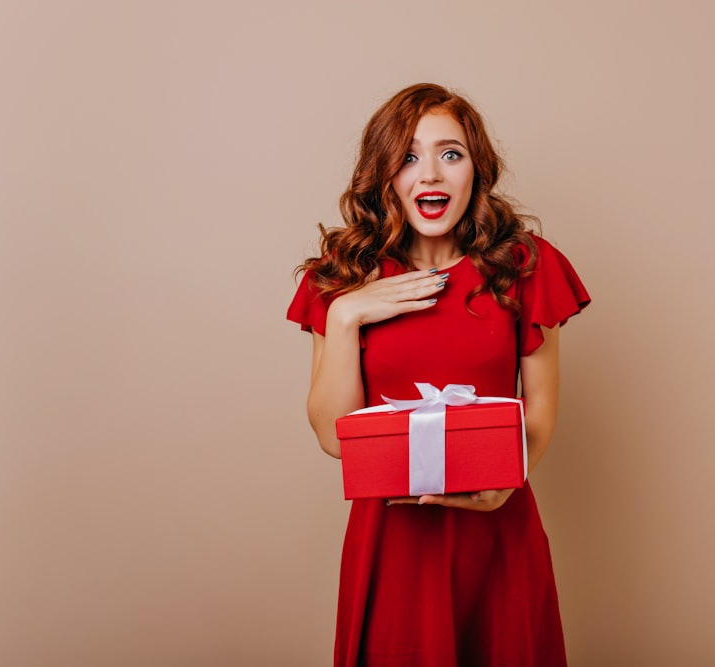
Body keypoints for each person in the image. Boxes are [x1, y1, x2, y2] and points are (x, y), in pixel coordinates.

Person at [287, 83, 590, 667]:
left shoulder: (525, 266)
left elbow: (542, 411)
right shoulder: (342, 276)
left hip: (498, 532)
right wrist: (349, 313)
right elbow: (333, 438)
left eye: (450, 154)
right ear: (384, 175)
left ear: (476, 170)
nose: (430, 173)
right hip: (392, 540)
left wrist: (506, 481)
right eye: (408, 156)